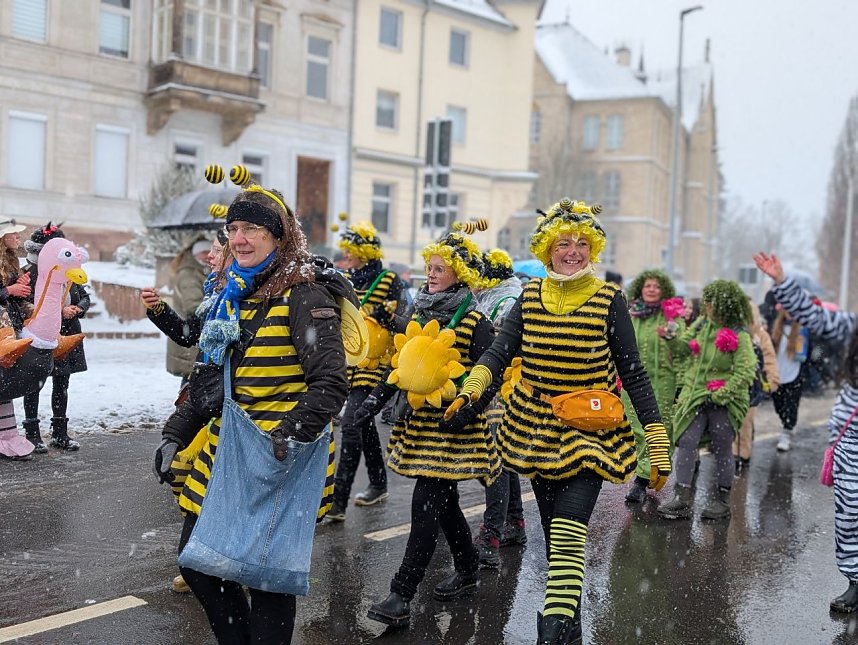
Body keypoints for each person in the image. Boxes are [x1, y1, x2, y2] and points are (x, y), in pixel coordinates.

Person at [445, 198, 669, 644]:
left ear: (594, 249)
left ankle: (549, 629)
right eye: (563, 242)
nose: (573, 251)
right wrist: (471, 393)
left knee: (567, 533)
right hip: (536, 430)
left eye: (582, 244)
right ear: (548, 248)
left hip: (590, 432)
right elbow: (498, 353)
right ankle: (571, 626)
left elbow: (635, 373)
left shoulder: (608, 299)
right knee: (557, 540)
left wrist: (656, 440)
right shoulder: (529, 296)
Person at [152, 179, 355, 643]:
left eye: (251, 230)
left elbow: (331, 383)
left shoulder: (306, 295)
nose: (237, 239)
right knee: (196, 562)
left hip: (282, 454)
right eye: (232, 229)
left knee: (267, 578)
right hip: (227, 450)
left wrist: (288, 433)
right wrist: (175, 434)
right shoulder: (231, 295)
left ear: (279, 236)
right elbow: (209, 376)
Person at [362, 230, 501, 628]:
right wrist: (375, 399)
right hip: (420, 426)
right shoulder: (419, 314)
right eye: (429, 268)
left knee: (425, 504)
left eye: (440, 269)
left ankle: (401, 594)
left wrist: (467, 408)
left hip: (454, 428)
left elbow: (490, 373)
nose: (431, 274)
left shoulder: (475, 321)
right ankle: (469, 567)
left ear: (459, 275)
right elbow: (401, 366)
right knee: (443, 505)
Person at [753, 251, 858, 612]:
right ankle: (855, 580)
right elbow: (814, 316)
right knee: (849, 516)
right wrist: (782, 282)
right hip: (851, 444)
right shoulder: (851, 325)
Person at [328, 221, 410, 520]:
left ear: (364, 252)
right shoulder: (343, 279)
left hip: (374, 366)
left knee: (351, 423)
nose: (346, 257)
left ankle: (338, 502)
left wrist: (387, 319)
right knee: (362, 423)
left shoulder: (390, 280)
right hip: (345, 362)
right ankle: (378, 483)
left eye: (351, 252)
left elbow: (404, 320)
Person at [657, 279, 756, 521]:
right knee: (687, 441)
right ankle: (681, 497)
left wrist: (721, 394)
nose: (707, 306)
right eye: (707, 300)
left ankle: (722, 500)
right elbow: (684, 349)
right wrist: (671, 336)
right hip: (695, 397)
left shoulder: (740, 334)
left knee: (722, 446)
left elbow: (746, 371)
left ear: (723, 305)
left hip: (724, 401)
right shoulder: (701, 324)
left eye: (712, 301)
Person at [470, 248, 527, 568]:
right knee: (500, 460)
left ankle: (491, 533)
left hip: (503, 388)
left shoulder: (505, 302)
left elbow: (501, 347)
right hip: (498, 385)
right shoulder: (496, 296)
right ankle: (514, 523)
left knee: (493, 460)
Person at [20, 222, 90, 453]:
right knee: (34, 384)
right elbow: (26, 304)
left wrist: (78, 308)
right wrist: (57, 311)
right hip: (40, 335)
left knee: (62, 383)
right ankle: (32, 434)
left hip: (67, 332)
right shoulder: (30, 274)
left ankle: (60, 432)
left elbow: (83, 295)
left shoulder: (69, 271)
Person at [622, 269, 685, 503]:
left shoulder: (672, 316)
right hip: (633, 382)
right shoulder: (632, 314)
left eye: (656, 287)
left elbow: (683, 351)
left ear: (663, 291)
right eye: (647, 286)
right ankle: (643, 471)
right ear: (640, 288)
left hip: (663, 384)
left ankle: (642, 479)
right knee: (636, 430)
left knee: (658, 432)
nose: (651, 290)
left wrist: (672, 338)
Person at [0, 216, 33, 460]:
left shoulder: (12, 260)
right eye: (13, 234)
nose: (18, 237)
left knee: (4, 385)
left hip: (9, 327)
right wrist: (9, 290)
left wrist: (19, 285)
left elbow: (12, 297)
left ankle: (8, 436)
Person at [734, 300, 780, 472]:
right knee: (734, 420)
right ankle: (733, 453)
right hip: (734, 383)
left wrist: (772, 379)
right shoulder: (730, 332)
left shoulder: (760, 335)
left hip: (753, 384)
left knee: (746, 421)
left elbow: (769, 358)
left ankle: (742, 455)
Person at [166, 237, 212, 385]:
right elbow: (194, 306)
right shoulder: (189, 274)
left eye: (209, 251)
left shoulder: (201, 271)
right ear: (195, 254)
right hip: (189, 335)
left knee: (193, 379)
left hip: (190, 334)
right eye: (203, 252)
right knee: (191, 380)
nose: (207, 255)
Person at [769, 305, 809, 451]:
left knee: (791, 405)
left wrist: (812, 362)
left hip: (795, 375)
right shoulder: (775, 329)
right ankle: (786, 423)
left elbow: (818, 351)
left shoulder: (803, 330)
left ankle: (786, 431)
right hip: (777, 374)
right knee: (778, 405)